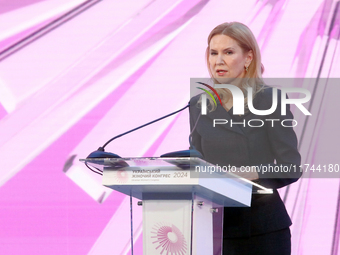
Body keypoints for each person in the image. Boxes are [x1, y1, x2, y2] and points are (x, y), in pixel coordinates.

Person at [189, 22, 302, 255]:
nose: (218, 60)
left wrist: (251, 173)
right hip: (212, 229)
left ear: (248, 58)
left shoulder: (270, 100)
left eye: (228, 52)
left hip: (261, 230)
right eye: (213, 53)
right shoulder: (199, 105)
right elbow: (195, 160)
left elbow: (291, 167)